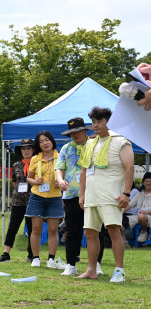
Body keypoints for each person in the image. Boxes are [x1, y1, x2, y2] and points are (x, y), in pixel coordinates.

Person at [77, 107, 134, 283]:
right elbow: (84, 171)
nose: (95, 125)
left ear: (109, 122)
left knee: (113, 232)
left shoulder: (121, 141)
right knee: (89, 233)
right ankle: (91, 269)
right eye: (93, 121)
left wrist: (126, 193)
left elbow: (130, 168)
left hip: (112, 195)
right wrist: (81, 194)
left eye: (99, 121)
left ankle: (119, 271)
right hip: (92, 195)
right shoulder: (90, 143)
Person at [55, 118, 104, 276]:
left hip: (93, 193)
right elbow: (59, 168)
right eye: (71, 133)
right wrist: (61, 180)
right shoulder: (66, 148)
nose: (75, 135)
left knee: (96, 230)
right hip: (71, 195)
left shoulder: (95, 145)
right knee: (72, 230)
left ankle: (96, 264)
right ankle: (71, 264)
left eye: (77, 132)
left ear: (85, 131)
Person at [25, 131, 65, 269]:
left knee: (53, 230)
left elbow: (67, 176)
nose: (45, 143)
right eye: (41, 141)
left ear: (52, 141)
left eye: (47, 140)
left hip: (55, 197)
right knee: (36, 228)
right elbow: (29, 178)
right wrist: (35, 181)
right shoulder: (35, 159)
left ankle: (51, 259)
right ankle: (35, 258)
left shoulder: (60, 156)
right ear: (38, 145)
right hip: (37, 197)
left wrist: (60, 182)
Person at [0, 139, 34, 263]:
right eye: (24, 148)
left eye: (28, 148)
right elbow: (14, 181)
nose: (26, 151)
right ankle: (6, 253)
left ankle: (32, 254)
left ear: (33, 150)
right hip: (18, 201)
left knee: (32, 229)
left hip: (33, 201)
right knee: (12, 228)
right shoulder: (16, 165)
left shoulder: (37, 163)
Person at [124, 172, 151, 243]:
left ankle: (144, 231)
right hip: (138, 216)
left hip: (148, 216)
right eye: (146, 181)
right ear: (143, 182)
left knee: (141, 216)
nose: (148, 183)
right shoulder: (140, 194)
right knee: (120, 219)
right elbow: (129, 205)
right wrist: (119, 212)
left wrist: (147, 212)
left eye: (150, 181)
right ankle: (124, 241)